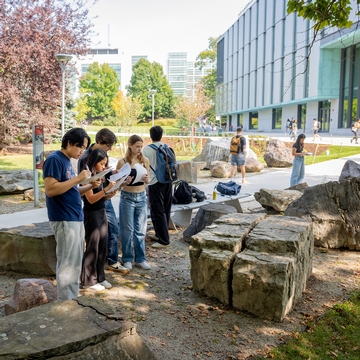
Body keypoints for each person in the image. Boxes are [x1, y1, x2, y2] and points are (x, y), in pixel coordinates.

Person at [43, 128, 101, 301]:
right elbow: (51, 189)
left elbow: (72, 190)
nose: (82, 151)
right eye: (80, 147)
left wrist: (90, 185)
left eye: (84, 148)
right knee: (68, 264)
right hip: (64, 218)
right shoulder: (54, 159)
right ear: (69, 143)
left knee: (75, 264)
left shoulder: (67, 160)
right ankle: (65, 303)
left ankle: (72, 299)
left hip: (74, 217)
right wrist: (78, 179)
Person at [78, 128, 130, 274]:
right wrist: (105, 190)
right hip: (93, 201)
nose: (110, 149)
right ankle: (94, 271)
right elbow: (87, 182)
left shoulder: (102, 154)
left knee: (112, 230)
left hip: (104, 195)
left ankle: (108, 262)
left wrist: (114, 174)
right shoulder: (85, 157)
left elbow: (103, 173)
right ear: (100, 142)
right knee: (96, 239)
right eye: (108, 146)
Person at [81, 149, 117, 290]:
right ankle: (88, 281)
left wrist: (109, 193)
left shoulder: (99, 175)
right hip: (91, 214)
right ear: (94, 162)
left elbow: (101, 197)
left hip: (101, 211)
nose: (104, 167)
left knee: (103, 245)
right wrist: (105, 189)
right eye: (101, 164)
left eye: (105, 164)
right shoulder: (87, 175)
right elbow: (90, 199)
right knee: (92, 246)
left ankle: (100, 277)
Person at [116, 135, 151, 270]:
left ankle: (140, 259)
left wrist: (146, 179)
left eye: (141, 146)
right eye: (137, 146)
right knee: (126, 230)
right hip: (127, 196)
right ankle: (127, 258)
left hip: (141, 196)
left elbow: (148, 181)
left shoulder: (145, 160)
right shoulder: (122, 162)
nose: (139, 149)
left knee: (141, 229)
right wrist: (123, 181)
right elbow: (117, 184)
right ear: (129, 145)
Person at [142, 126, 172, 249]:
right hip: (168, 180)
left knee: (157, 210)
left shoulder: (146, 150)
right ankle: (160, 234)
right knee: (166, 208)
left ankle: (164, 240)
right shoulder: (167, 147)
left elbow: (143, 166)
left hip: (154, 182)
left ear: (151, 135)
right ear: (161, 135)